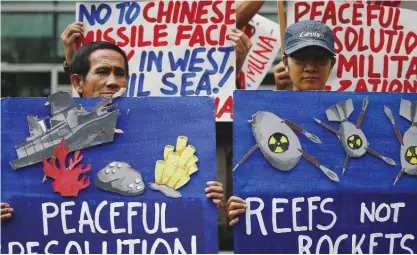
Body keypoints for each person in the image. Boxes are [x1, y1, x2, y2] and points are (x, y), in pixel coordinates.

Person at [226, 20, 337, 226]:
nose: (310, 67)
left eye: (320, 59)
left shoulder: (342, 118)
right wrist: (235, 206)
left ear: (332, 64)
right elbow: (250, 175)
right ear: (285, 62)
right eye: (301, 58)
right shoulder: (259, 120)